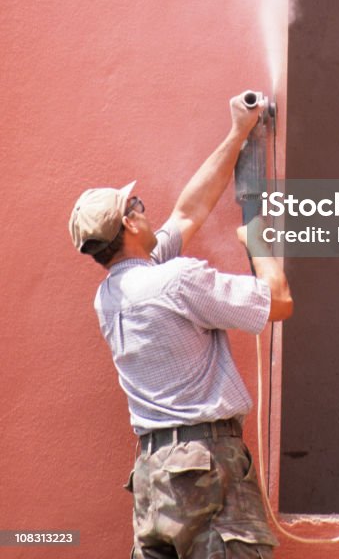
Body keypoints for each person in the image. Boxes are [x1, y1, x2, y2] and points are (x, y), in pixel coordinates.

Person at [69, 92, 293, 559]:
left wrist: (237, 134)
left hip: (153, 473)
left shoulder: (109, 297)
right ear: (130, 222)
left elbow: (189, 212)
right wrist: (260, 244)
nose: (148, 209)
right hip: (206, 463)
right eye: (139, 204)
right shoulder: (177, 280)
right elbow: (279, 303)